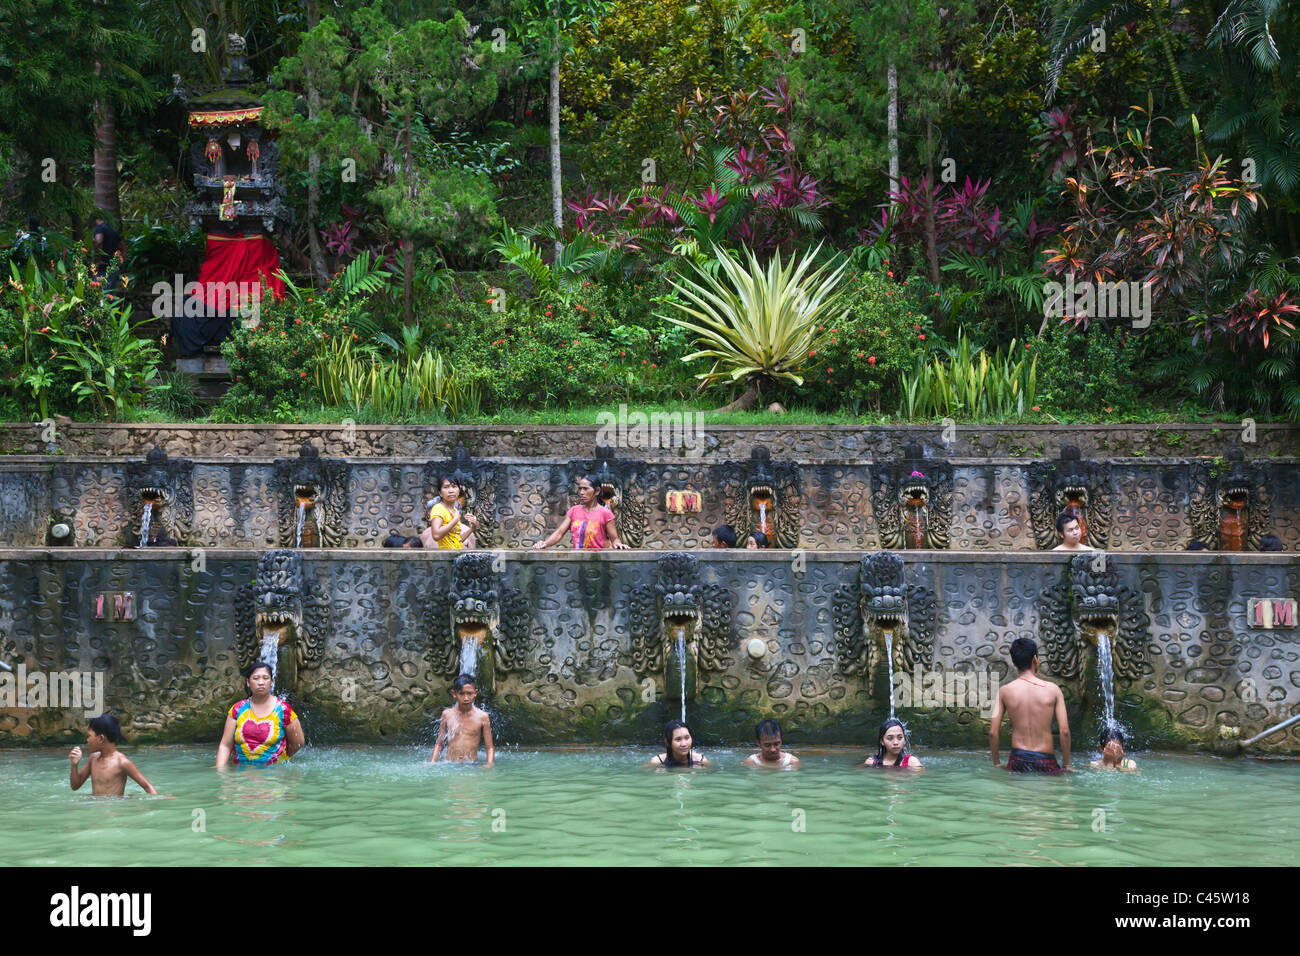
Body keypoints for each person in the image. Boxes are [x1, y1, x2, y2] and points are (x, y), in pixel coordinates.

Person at [989, 637, 1070, 773]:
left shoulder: (1004, 691)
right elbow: (1065, 731)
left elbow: (992, 732)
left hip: (1017, 759)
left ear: (1014, 662)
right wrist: (1066, 765)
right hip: (1045, 759)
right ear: (1035, 659)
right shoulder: (1053, 690)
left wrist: (997, 762)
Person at [216, 662, 305, 767]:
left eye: (265, 678)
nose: (261, 682)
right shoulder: (237, 709)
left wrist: (279, 758)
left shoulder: (283, 710)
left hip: (273, 776)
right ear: (248, 682)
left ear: (272, 682)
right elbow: (225, 745)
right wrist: (220, 772)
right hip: (240, 775)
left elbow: (298, 743)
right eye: (256, 678)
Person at [69, 714, 159, 795]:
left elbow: (148, 786)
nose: (87, 740)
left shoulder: (122, 762)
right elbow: (75, 786)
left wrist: (157, 805)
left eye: (89, 736)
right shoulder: (93, 758)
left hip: (114, 811)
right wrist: (74, 764)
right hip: (96, 810)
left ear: (101, 738)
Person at [534, 475, 630, 551]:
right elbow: (559, 533)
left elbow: (614, 539)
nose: (581, 492)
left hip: (598, 560)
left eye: (585, 488)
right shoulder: (574, 510)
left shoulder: (606, 513)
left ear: (597, 491)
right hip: (578, 559)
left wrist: (618, 544)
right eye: (580, 489)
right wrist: (545, 543)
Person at [430, 674, 494, 765]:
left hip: (471, 765)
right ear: (454, 694)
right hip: (449, 764)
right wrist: (432, 763)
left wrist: (489, 765)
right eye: (461, 693)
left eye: (469, 693)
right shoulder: (447, 714)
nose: (466, 698)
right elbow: (439, 744)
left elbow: (489, 747)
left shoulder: (482, 717)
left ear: (475, 693)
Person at [423, 476, 478, 550]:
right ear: (440, 493)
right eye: (446, 487)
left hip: (455, 553)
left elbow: (456, 540)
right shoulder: (438, 509)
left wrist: (472, 528)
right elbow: (436, 536)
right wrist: (454, 520)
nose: (451, 490)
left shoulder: (455, 510)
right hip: (444, 556)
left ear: (458, 491)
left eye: (454, 486)